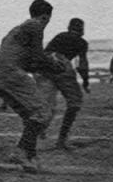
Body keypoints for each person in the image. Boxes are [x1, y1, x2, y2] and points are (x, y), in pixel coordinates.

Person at [0, 0, 66, 172]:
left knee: (30, 117)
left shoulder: (15, 31)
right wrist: (54, 64)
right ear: (45, 17)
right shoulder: (35, 26)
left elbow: (28, 62)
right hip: (11, 73)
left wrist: (47, 65)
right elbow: (38, 57)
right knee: (43, 113)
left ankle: (30, 157)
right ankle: (20, 152)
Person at [37, 17, 90, 150]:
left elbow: (44, 53)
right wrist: (85, 81)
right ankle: (61, 140)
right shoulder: (81, 42)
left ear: (69, 27)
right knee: (75, 102)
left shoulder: (60, 36)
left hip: (44, 66)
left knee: (46, 105)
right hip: (61, 65)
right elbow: (82, 65)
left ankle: (39, 129)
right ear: (82, 29)